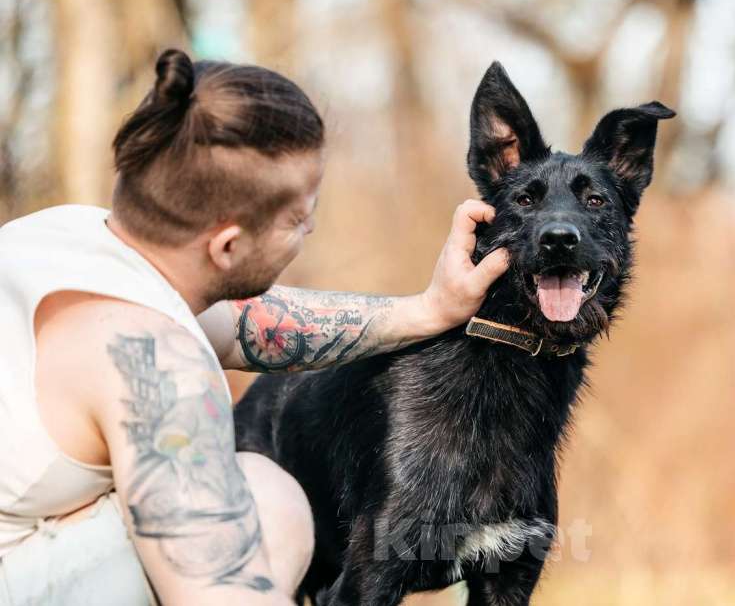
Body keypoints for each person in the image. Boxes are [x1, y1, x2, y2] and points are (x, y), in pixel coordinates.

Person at [0, 49, 509, 605]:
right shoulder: (159, 365)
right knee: (267, 501)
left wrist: (432, 308)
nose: (311, 226)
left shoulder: (65, 234)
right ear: (228, 245)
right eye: (297, 216)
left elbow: (253, 323)